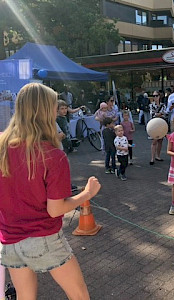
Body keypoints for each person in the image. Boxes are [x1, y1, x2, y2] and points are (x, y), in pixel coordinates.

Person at [0, 83, 101, 299]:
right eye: (54, 107)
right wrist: (87, 194)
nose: (57, 111)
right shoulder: (53, 156)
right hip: (42, 237)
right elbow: (55, 210)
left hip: (9, 240)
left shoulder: (2, 147)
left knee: (25, 297)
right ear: (45, 111)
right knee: (79, 294)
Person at [149, 91, 167, 165]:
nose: (155, 97)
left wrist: (159, 114)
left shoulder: (163, 105)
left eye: (156, 96)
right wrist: (160, 114)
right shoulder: (151, 105)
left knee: (160, 140)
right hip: (154, 124)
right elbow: (152, 114)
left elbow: (165, 113)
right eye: (153, 96)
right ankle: (152, 158)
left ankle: (158, 156)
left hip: (161, 124)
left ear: (159, 96)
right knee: (154, 141)